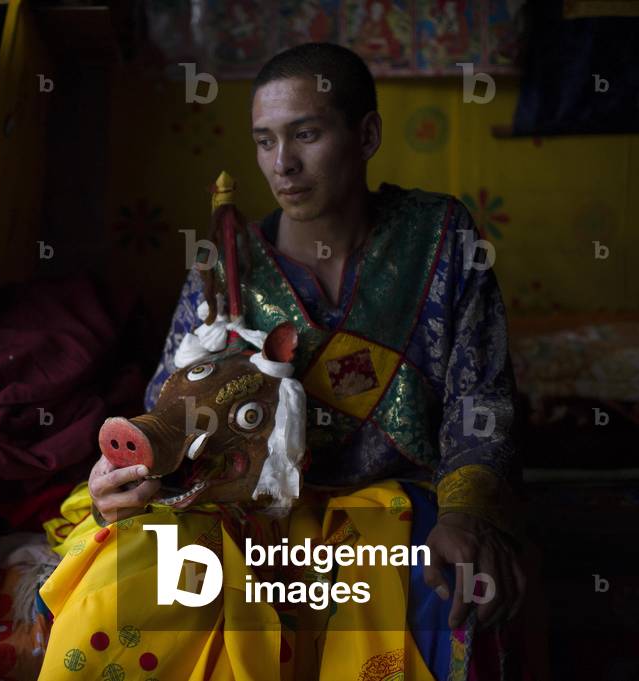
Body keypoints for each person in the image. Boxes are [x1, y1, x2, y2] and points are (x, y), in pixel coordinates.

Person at [42, 43, 525, 680]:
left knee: (447, 582)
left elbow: (480, 399)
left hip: (393, 505)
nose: (283, 165)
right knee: (131, 571)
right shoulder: (226, 263)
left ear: (367, 133)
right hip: (247, 510)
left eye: (306, 134)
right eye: (265, 141)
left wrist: (465, 512)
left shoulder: (440, 237)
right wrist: (128, 475)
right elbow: (172, 406)